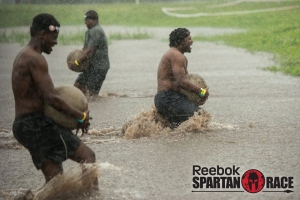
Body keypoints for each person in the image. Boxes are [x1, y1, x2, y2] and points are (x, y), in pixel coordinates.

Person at [11, 13, 97, 188]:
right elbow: (51, 98)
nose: (55, 42)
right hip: (35, 124)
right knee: (88, 157)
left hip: (25, 125)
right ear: (42, 34)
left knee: (56, 182)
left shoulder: (23, 55)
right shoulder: (35, 59)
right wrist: (80, 116)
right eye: (53, 37)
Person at [154, 28, 209, 127]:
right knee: (202, 116)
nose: (192, 41)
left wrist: (193, 100)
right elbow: (181, 82)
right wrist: (202, 92)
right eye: (189, 39)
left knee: (176, 127)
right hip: (169, 99)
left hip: (164, 99)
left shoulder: (173, 54)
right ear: (181, 41)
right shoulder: (177, 56)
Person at [69, 10, 110, 97]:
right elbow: (84, 49)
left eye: (87, 20)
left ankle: (95, 104)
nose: (85, 23)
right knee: (78, 85)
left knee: (93, 95)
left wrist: (76, 63)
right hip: (91, 67)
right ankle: (86, 101)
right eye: (85, 20)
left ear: (94, 20)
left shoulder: (96, 31)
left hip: (99, 67)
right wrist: (75, 59)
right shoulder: (89, 32)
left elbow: (90, 50)